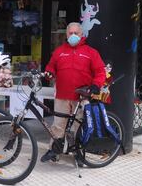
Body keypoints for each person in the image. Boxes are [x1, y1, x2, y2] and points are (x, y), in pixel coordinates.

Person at [41, 22, 106, 162]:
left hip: (81, 97)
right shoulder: (59, 51)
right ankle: (55, 151)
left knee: (78, 127)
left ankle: (78, 153)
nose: (73, 36)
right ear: (66, 34)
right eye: (71, 33)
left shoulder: (91, 52)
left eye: (76, 33)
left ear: (82, 34)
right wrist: (49, 73)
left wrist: (96, 85)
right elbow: (51, 67)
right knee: (58, 125)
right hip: (62, 95)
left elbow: (101, 71)